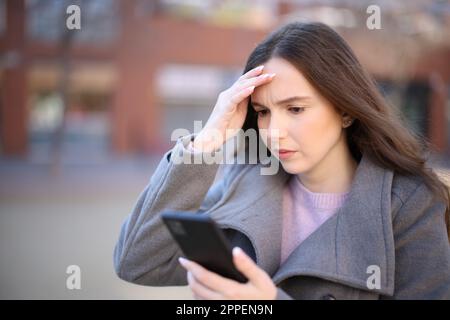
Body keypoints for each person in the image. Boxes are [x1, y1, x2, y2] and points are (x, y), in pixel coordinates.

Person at [113, 22, 450, 299]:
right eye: (262, 112)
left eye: (295, 109)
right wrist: (206, 142)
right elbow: (137, 261)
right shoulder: (244, 182)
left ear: (346, 109)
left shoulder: (407, 205)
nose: (273, 131)